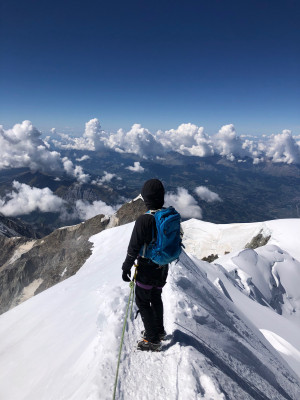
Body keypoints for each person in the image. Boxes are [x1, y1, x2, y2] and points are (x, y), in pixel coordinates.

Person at [122, 179, 168, 351]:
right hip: (163, 267)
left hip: (147, 268)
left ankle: (152, 338)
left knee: (142, 301)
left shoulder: (144, 220)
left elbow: (133, 247)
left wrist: (126, 267)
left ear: (146, 198)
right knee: (156, 297)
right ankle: (159, 331)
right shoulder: (167, 217)